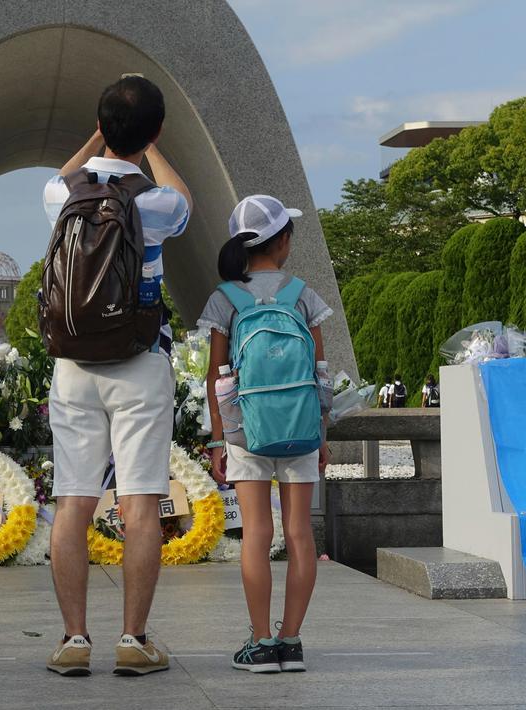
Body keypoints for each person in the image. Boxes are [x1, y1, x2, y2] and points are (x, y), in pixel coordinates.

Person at [41, 75, 192, 677]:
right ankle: (133, 638)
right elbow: (184, 196)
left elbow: (61, 172)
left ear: (101, 127)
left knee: (73, 502)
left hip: (73, 365)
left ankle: (75, 641)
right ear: (154, 132)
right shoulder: (154, 203)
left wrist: (99, 138)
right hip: (138, 360)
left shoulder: (62, 195)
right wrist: (149, 147)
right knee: (139, 505)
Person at [200, 195, 332, 674]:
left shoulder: (226, 298)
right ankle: (291, 642)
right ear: (280, 241)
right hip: (300, 428)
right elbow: (320, 373)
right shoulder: (302, 293)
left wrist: (219, 442)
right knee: (299, 532)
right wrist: (321, 432)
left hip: (246, 433)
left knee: (257, 532)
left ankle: (260, 644)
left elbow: (217, 377)